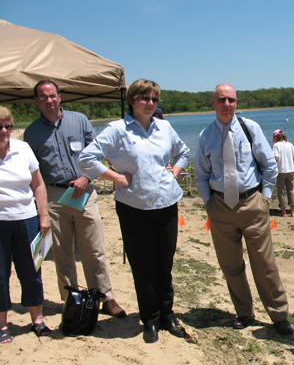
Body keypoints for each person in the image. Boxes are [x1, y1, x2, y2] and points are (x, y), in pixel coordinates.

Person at [79, 79, 189, 344]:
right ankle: (149, 319)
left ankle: (167, 314)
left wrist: (174, 171)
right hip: (134, 207)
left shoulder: (164, 126)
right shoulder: (117, 129)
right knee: (143, 265)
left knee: (165, 262)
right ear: (132, 100)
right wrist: (116, 177)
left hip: (166, 204)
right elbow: (86, 158)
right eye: (144, 98)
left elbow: (183, 152)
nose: (150, 103)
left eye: (153, 99)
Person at [195, 84, 292, 335]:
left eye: (231, 100)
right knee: (230, 265)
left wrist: (265, 198)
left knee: (264, 263)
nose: (227, 104)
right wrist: (209, 204)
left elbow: (269, 166)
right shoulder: (205, 136)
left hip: (252, 203)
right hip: (220, 206)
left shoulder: (250, 128)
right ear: (213, 103)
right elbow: (201, 176)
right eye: (222, 100)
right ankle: (244, 312)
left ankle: (279, 315)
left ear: (236, 103)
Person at [24, 80, 126, 319]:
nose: (49, 100)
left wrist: (85, 177)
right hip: (53, 196)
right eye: (43, 97)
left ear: (60, 97)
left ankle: (105, 298)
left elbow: (97, 153)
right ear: (37, 101)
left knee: (95, 249)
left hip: (84, 192)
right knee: (62, 253)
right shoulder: (31, 132)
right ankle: (71, 300)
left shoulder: (79, 120)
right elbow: (31, 171)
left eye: (52, 95)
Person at [0, 106, 52, 343]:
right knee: (1, 275)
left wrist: (43, 216)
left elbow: (38, 185)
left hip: (27, 219)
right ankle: (2, 325)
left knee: (31, 271)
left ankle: (38, 320)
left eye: (7, 126)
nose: (4, 131)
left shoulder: (23, 149)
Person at [272, 129, 294, 217]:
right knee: (291, 190)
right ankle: (292, 212)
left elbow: (276, 158)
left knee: (281, 191)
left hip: (281, 170)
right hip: (290, 170)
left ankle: (283, 212)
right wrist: (289, 159)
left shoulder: (276, 145)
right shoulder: (289, 144)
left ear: (276, 137)